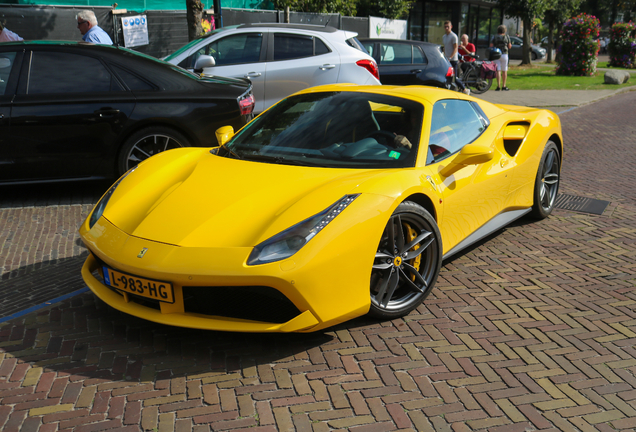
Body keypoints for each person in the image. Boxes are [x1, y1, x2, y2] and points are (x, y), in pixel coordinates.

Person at [442, 21, 470, 96]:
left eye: (448, 26)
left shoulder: (453, 36)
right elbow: (445, 47)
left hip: (453, 60)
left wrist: (450, 57)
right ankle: (449, 90)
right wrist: (444, 56)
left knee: (455, 78)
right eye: (445, 27)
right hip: (446, 59)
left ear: (451, 27)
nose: (446, 28)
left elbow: (455, 48)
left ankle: (465, 89)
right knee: (446, 76)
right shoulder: (444, 37)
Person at [490, 24, 512, 91]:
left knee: (498, 70)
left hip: (497, 54)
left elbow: (491, 45)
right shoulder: (507, 37)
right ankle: (504, 86)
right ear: (504, 30)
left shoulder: (494, 36)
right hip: (504, 54)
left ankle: (498, 86)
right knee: (504, 70)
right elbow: (509, 46)